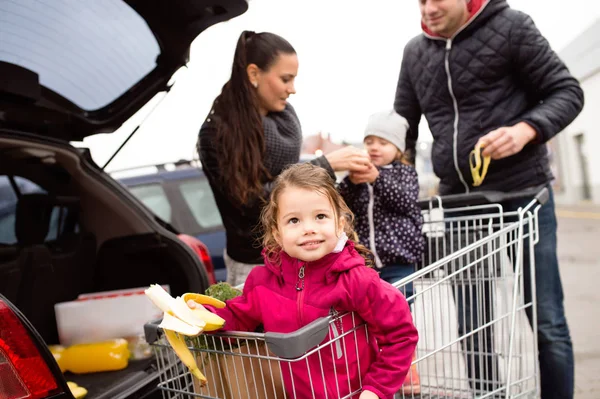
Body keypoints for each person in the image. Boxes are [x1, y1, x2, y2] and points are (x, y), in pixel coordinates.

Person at [390, 0, 584, 398]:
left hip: (524, 197)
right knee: (472, 323)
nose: (426, 8)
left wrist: (527, 129)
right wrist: (385, 167)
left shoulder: (512, 27)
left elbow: (567, 91)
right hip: (461, 205)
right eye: (420, 0)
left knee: (546, 320)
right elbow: (403, 131)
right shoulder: (415, 52)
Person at [196, 163, 418, 399]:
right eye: (294, 221)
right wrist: (201, 315)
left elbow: (401, 336)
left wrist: (376, 390)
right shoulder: (263, 283)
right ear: (277, 232)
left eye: (320, 216)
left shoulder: (356, 279)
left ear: (340, 224)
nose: (309, 229)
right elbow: (236, 318)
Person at [197, 30, 372, 286]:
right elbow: (248, 201)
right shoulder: (217, 131)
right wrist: (326, 165)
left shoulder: (282, 121)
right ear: (254, 74)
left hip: (300, 257)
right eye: (285, 79)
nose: (293, 89)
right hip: (255, 265)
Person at [338, 110, 425, 395]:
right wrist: (351, 181)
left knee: (399, 317)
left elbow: (405, 201)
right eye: (370, 141)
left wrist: (377, 178)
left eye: (383, 143)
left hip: (398, 260)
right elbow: (342, 203)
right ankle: (376, 369)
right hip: (367, 264)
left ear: (398, 149)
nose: (374, 147)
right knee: (370, 319)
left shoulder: (404, 174)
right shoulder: (358, 177)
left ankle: (406, 366)